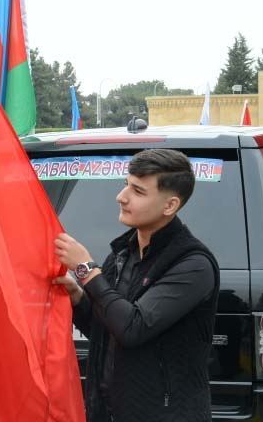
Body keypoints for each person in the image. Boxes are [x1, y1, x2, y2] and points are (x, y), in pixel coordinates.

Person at [53, 148, 220, 422]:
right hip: (106, 411)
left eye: (138, 191)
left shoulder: (193, 265)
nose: (122, 197)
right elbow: (107, 330)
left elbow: (133, 328)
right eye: (125, 185)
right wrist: (79, 298)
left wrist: (86, 271)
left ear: (170, 206)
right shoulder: (122, 254)